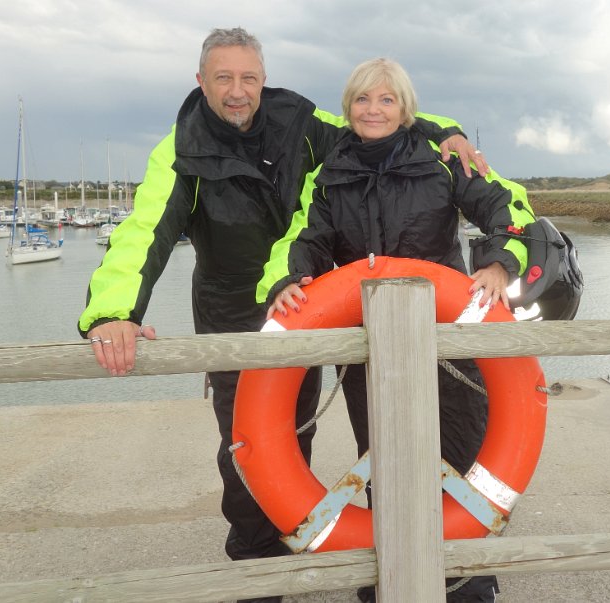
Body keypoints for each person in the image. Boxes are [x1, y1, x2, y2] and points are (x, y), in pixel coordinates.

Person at [77, 28, 486, 603]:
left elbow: (376, 121)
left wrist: (447, 131)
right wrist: (115, 312)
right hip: (235, 317)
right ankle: (258, 572)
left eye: (248, 78)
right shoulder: (182, 148)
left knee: (299, 433)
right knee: (250, 447)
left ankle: (355, 554)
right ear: (201, 81)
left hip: (307, 303)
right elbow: (144, 232)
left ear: (263, 80)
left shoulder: (299, 121)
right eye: (223, 78)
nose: (237, 91)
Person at [259, 57, 536, 603]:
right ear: (349, 107)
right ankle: (389, 579)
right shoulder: (329, 173)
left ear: (405, 108)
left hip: (447, 342)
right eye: (363, 99)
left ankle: (467, 584)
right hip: (371, 347)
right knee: (383, 461)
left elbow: (510, 207)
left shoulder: (444, 159)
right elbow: (304, 238)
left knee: (459, 455)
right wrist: (288, 280)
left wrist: (499, 262)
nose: (374, 110)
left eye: (386, 99)